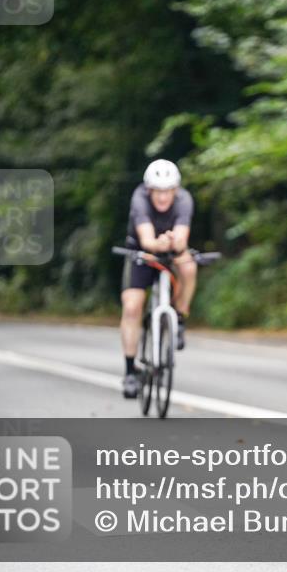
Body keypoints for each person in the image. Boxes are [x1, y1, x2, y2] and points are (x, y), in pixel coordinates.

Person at [119, 159, 197, 398]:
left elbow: (182, 239)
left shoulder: (184, 200)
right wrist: (157, 243)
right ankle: (131, 371)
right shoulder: (139, 199)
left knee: (189, 268)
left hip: (172, 249)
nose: (163, 197)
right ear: (148, 190)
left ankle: (180, 316)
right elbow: (146, 239)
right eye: (157, 191)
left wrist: (174, 242)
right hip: (142, 252)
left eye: (167, 191)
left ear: (175, 190)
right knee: (132, 307)